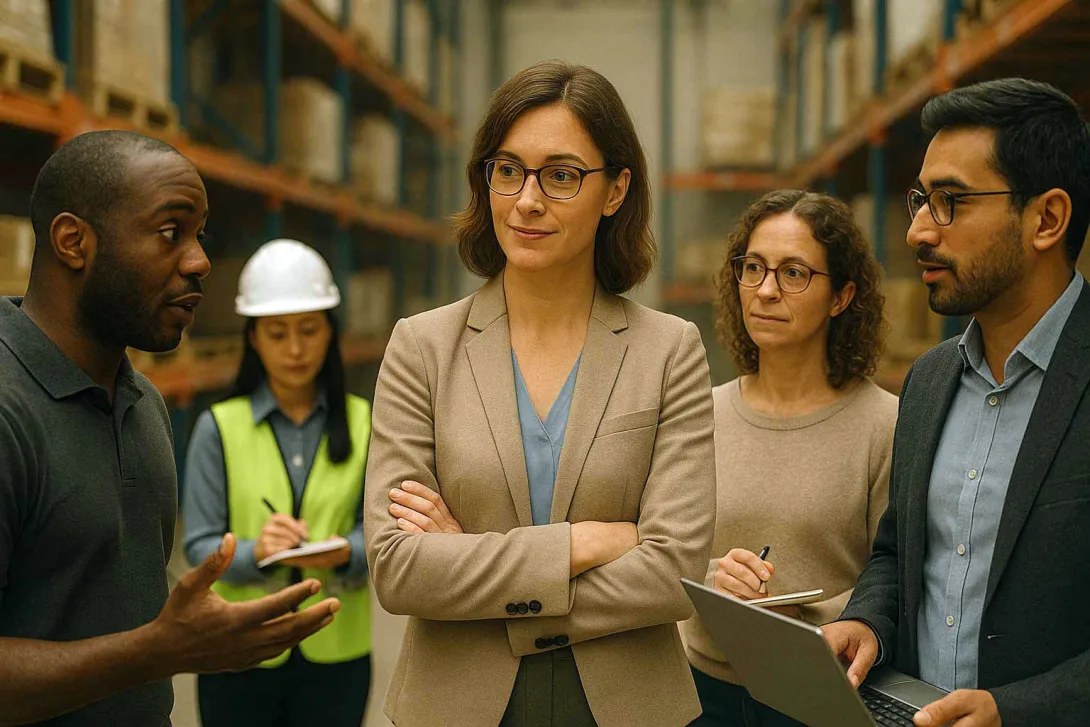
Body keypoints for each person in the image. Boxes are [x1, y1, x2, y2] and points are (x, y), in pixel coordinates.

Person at [363, 60, 716, 727]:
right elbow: (399, 567)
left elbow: (673, 572)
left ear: (615, 190)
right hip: (455, 705)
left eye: (560, 175)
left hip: (630, 707)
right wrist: (583, 542)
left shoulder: (669, 351)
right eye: (508, 170)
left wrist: (472, 564)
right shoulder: (422, 348)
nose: (527, 200)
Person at [0, 131, 339, 726]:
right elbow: (148, 646)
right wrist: (162, 650)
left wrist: (201, 629)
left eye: (200, 235)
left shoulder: (144, 406)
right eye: (170, 232)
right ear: (73, 242)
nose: (200, 261)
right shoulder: (9, 411)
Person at [823, 78, 1090, 727]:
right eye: (921, 199)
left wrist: (1015, 708)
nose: (917, 230)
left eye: (950, 202)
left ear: (1046, 219)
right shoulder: (929, 380)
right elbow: (896, 552)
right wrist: (867, 619)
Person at [681, 190, 896, 727]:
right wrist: (715, 581)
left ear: (842, 296)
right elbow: (664, 554)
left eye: (794, 273)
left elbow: (896, 574)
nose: (767, 291)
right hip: (698, 693)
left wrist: (804, 618)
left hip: (817, 698)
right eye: (753, 268)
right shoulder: (698, 414)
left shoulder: (885, 425)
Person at [182, 238, 373, 727]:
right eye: (277, 333)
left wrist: (345, 552)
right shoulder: (218, 428)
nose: (294, 349)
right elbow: (200, 545)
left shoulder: (366, 422)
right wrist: (256, 552)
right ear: (253, 339)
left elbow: (385, 535)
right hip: (237, 649)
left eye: (309, 330)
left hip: (337, 654)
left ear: (330, 333)